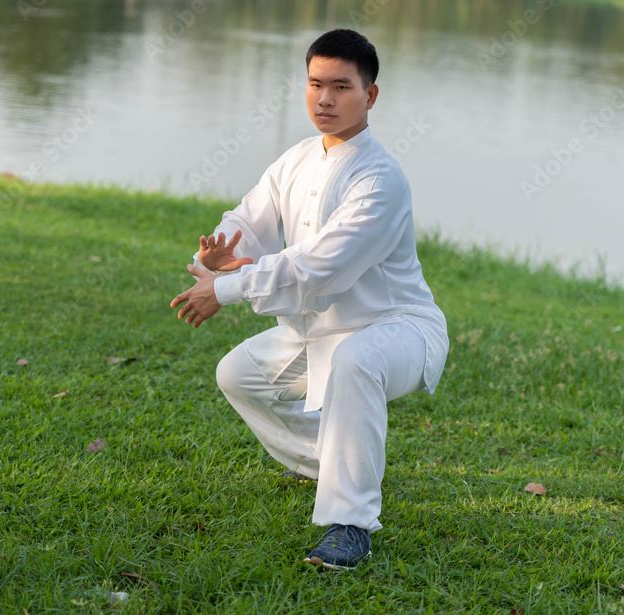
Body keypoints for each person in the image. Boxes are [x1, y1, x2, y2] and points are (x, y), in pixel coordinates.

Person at [169, 28, 448, 570]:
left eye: (341, 87)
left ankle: (351, 526)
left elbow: (321, 268)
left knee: (355, 360)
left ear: (370, 96)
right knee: (237, 374)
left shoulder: (381, 179)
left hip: (397, 330)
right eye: (315, 84)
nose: (324, 98)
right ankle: (331, 463)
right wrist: (219, 255)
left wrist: (225, 290)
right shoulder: (296, 158)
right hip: (318, 330)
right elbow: (249, 220)